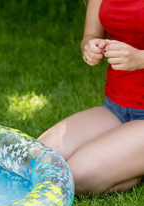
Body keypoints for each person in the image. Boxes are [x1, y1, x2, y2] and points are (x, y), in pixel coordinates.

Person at [38, 0, 144, 195]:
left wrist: (140, 58)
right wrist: (90, 48)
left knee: (76, 176)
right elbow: (90, 35)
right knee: (37, 157)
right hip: (115, 108)